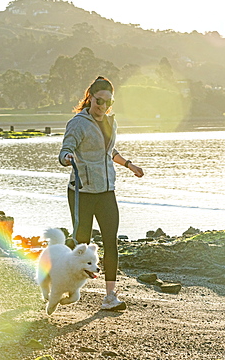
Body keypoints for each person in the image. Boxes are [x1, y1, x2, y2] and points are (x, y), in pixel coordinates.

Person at [59, 76, 144, 311]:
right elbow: (66, 147)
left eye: (108, 102)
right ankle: (58, 277)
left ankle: (110, 297)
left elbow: (108, 150)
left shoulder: (109, 122)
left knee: (111, 241)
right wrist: (67, 158)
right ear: (90, 97)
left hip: (106, 192)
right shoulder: (78, 123)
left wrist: (129, 165)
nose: (103, 106)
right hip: (82, 191)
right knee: (81, 242)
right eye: (99, 101)